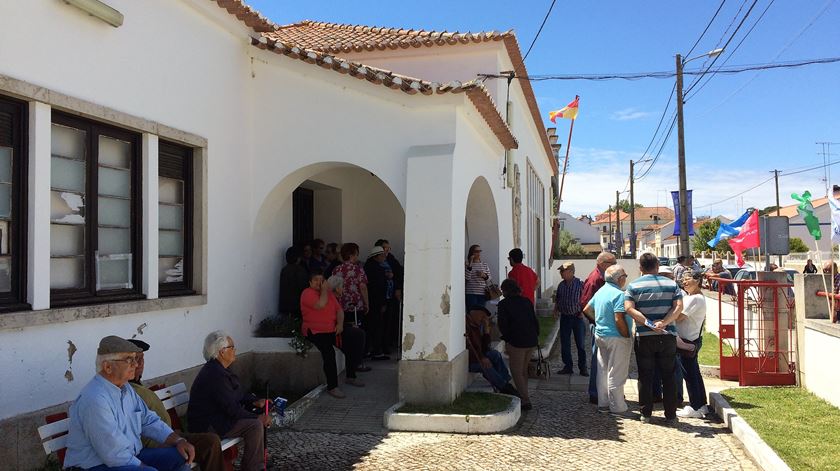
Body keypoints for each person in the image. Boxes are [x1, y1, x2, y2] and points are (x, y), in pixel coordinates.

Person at [64, 336, 195, 471]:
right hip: (94, 466)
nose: (136, 364)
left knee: (179, 456)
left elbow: (148, 420)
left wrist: (178, 440)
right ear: (108, 366)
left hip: (127, 457)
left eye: (135, 359)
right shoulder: (95, 398)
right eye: (129, 360)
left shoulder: (126, 389)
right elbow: (113, 453)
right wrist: (145, 467)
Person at [126, 339, 224, 471]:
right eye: (136, 359)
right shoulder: (126, 392)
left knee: (211, 441)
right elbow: (137, 431)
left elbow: (150, 420)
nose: (140, 364)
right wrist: (169, 441)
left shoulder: (137, 386)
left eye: (142, 358)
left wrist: (176, 438)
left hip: (169, 435)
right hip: (157, 444)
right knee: (206, 444)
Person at [187, 331, 270, 471]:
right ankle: (253, 468)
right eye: (232, 347)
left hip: (217, 419)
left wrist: (255, 401)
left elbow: (237, 395)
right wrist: (257, 417)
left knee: (255, 423)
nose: (235, 350)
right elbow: (231, 408)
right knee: (254, 425)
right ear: (222, 352)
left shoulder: (218, 370)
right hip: (208, 425)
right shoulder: (215, 375)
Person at [625, 253, 684, 424]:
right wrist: (664, 323)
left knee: (645, 375)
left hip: (644, 336)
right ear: (657, 266)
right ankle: (671, 415)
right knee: (669, 375)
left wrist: (648, 323)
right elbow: (679, 307)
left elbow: (629, 308)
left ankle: (646, 413)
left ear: (640, 268)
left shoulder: (633, 286)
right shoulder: (672, 285)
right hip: (667, 336)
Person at [301, 270, 365, 399]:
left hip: (332, 329)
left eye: (321, 279)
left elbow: (339, 310)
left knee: (354, 338)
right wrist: (324, 290)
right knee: (329, 353)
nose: (319, 283)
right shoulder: (307, 293)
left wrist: (340, 324)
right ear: (310, 283)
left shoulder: (329, 294)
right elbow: (320, 305)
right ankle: (332, 386)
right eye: (316, 280)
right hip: (315, 331)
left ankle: (351, 376)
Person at [584, 265, 633, 416]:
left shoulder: (601, 291)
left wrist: (599, 322)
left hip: (601, 335)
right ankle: (618, 407)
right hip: (617, 337)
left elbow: (587, 309)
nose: (626, 278)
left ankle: (603, 404)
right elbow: (619, 317)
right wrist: (626, 335)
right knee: (617, 373)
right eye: (625, 275)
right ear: (620, 278)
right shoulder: (619, 294)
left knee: (603, 371)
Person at [497, 278, 540, 411]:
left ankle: (525, 399)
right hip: (530, 340)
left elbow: (503, 325)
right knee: (523, 371)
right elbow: (534, 320)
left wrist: (507, 340)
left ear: (505, 290)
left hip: (517, 342)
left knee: (516, 372)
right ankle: (524, 395)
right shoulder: (526, 301)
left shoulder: (504, 304)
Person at [580, 251, 617, 404]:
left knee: (603, 360)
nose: (615, 266)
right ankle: (595, 393)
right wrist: (599, 321)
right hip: (598, 325)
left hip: (601, 324)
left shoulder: (602, 278)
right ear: (603, 264)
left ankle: (600, 392)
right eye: (613, 263)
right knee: (598, 360)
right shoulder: (596, 279)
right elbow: (585, 304)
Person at [465, 306, 520, 397]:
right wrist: (482, 357)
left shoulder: (476, 326)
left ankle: (505, 380)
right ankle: (505, 388)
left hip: (477, 356)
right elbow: (469, 347)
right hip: (470, 359)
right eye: (482, 316)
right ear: (474, 313)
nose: (483, 319)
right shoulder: (466, 325)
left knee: (495, 354)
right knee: (486, 366)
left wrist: (486, 331)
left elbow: (485, 347)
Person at [675, 273, 709, 418]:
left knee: (689, 374)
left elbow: (679, 317)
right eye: (683, 279)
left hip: (688, 342)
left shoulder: (695, 299)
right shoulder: (691, 297)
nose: (685, 282)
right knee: (694, 372)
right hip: (690, 339)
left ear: (698, 281)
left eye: (688, 279)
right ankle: (701, 404)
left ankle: (695, 406)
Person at [553, 262, 587, 376]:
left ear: (571, 272)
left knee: (580, 344)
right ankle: (568, 366)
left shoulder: (580, 284)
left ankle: (583, 368)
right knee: (565, 343)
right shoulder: (561, 285)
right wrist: (556, 310)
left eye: (563, 271)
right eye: (561, 272)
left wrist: (583, 312)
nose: (561, 274)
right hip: (565, 318)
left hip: (577, 317)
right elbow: (558, 299)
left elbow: (586, 299)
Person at [376, 239, 404, 353]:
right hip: (380, 296)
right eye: (384, 248)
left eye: (388, 248)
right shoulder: (374, 261)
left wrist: (397, 287)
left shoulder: (391, 259)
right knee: (380, 323)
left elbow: (399, 273)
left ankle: (388, 344)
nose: (387, 250)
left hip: (392, 295)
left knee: (390, 321)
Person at [363, 246, 390, 360]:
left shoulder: (367, 267)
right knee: (377, 326)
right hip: (376, 302)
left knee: (368, 327)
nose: (385, 257)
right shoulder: (378, 269)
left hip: (369, 302)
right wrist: (383, 303)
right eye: (383, 255)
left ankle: (367, 350)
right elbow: (380, 287)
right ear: (377, 256)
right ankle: (377, 351)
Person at [279, 246, 310, 324]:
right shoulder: (300, 270)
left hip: (285, 305)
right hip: (297, 306)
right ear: (298, 258)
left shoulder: (284, 270)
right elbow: (304, 288)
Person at [465, 244, 492, 311]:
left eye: (480, 251)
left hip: (482, 293)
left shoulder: (484, 264)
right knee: (471, 313)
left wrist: (484, 275)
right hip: (470, 293)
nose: (478, 253)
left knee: (481, 314)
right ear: (472, 252)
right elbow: (467, 278)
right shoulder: (467, 264)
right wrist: (470, 263)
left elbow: (489, 280)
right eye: (476, 251)